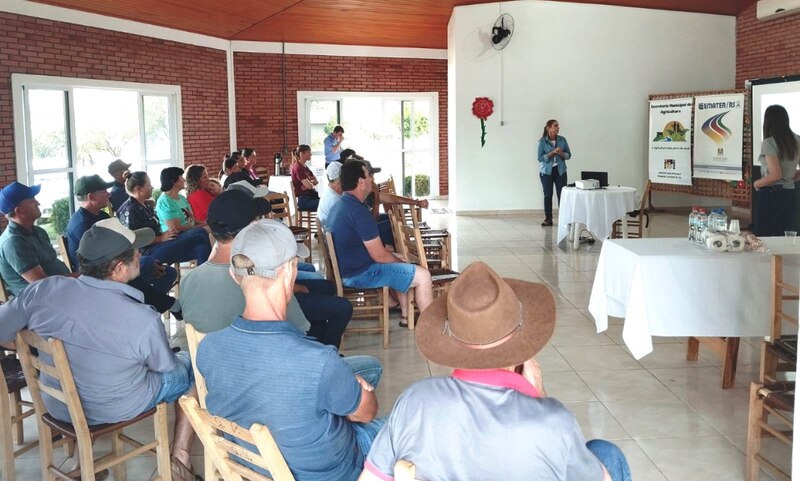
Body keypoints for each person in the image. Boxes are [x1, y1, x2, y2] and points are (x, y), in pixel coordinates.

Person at [360, 262, 631, 481]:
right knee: (606, 454)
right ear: (521, 349)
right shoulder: (552, 422)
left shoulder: (414, 401)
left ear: (452, 342)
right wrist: (539, 400)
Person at [0, 218, 199, 481]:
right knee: (191, 367)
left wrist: (33, 349)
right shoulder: (142, 318)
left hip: (57, 403)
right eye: (136, 252)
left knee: (93, 367)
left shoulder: (41, 290)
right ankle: (179, 462)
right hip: (114, 408)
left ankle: (77, 460)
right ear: (119, 268)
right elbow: (165, 368)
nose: (141, 254)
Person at [196, 219, 384, 481]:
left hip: (253, 469)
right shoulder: (318, 362)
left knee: (364, 372)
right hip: (333, 473)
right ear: (288, 273)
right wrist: (363, 392)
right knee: (397, 430)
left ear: (233, 274)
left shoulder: (208, 349)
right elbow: (367, 412)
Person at [180, 189, 352, 348]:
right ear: (250, 228)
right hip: (263, 358)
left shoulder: (188, 280)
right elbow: (299, 328)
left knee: (325, 289)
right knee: (339, 309)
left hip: (216, 366)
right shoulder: (254, 276)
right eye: (257, 220)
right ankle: (328, 363)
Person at [327, 160, 433, 328]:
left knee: (398, 258)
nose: (372, 180)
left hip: (349, 269)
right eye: (369, 176)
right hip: (360, 274)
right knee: (423, 276)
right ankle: (431, 326)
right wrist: (401, 262)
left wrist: (398, 260)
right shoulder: (358, 211)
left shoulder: (340, 204)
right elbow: (380, 256)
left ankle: (406, 317)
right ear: (361, 182)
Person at [65, 174, 181, 316]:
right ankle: (165, 306)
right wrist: (138, 261)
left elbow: (123, 242)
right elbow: (104, 262)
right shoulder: (83, 224)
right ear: (91, 197)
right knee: (143, 265)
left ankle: (148, 309)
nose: (109, 193)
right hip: (100, 273)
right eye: (103, 191)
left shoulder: (101, 216)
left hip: (116, 264)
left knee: (167, 273)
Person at [117, 171, 212, 265]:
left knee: (202, 248)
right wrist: (160, 238)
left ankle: (204, 278)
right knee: (200, 232)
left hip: (160, 244)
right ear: (139, 189)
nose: (152, 187)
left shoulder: (146, 205)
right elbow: (132, 239)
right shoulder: (129, 210)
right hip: (147, 252)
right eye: (149, 185)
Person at [0, 182, 73, 296]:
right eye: (32, 200)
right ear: (19, 211)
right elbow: (43, 285)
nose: (38, 203)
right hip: (38, 302)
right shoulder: (13, 242)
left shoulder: (39, 231)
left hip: (61, 291)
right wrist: (80, 277)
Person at [752, 105, 800, 236]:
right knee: (785, 236)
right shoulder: (798, 140)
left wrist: (757, 183)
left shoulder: (769, 143)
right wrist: (790, 178)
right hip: (790, 194)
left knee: (765, 237)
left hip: (770, 195)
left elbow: (775, 175)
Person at [537, 119, 572, 226]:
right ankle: (548, 218)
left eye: (558, 126)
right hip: (546, 172)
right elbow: (540, 158)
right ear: (549, 128)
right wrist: (552, 153)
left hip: (560, 171)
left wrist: (561, 153)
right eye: (555, 125)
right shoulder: (542, 142)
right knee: (548, 195)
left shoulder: (562, 140)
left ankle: (564, 219)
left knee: (562, 194)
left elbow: (568, 155)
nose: (558, 127)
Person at [291, 144, 320, 211]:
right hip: (304, 201)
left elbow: (316, 181)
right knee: (327, 203)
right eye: (308, 152)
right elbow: (309, 186)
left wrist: (309, 183)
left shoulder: (305, 167)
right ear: (301, 154)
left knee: (328, 202)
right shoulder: (298, 168)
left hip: (310, 197)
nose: (311, 154)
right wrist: (309, 184)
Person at [318, 161, 343, 229]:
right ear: (339, 181)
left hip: (329, 235)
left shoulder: (329, 192)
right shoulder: (335, 199)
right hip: (332, 237)